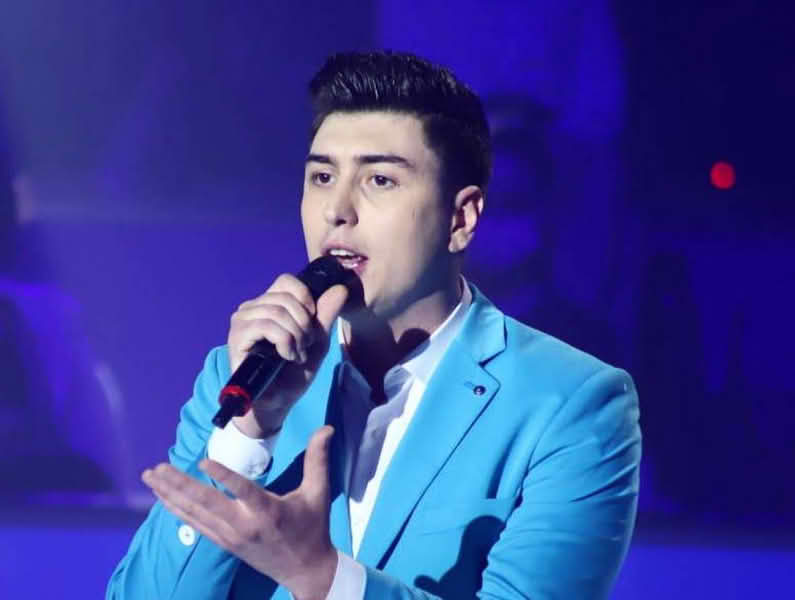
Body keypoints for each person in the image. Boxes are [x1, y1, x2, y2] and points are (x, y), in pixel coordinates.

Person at [107, 51, 641, 600]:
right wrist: (249, 435)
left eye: (380, 180)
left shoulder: (572, 403)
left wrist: (323, 577)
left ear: (461, 218)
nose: (337, 209)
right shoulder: (243, 375)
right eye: (322, 177)